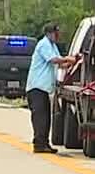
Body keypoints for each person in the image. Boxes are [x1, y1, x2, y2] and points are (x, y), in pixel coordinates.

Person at [26, 23, 80, 153]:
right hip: (36, 87)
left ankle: (44, 142)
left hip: (44, 89)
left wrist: (71, 63)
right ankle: (39, 144)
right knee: (40, 117)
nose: (58, 36)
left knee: (46, 118)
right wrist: (68, 58)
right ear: (49, 34)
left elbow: (59, 64)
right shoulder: (43, 44)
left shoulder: (52, 46)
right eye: (56, 33)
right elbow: (54, 60)